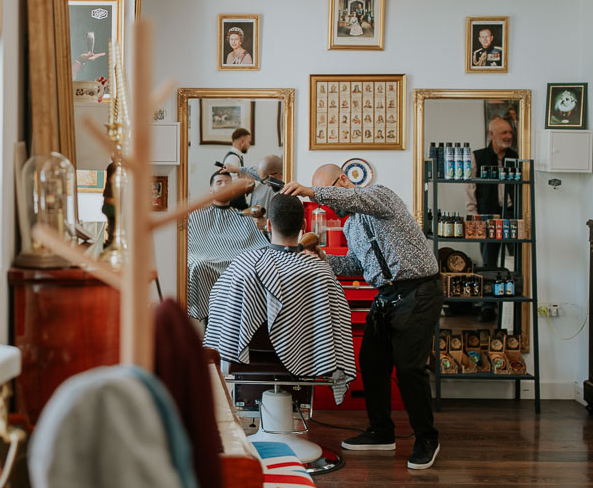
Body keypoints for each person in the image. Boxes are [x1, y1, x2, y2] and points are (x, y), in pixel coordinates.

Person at [280, 164, 441, 470]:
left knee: (409, 368)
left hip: (418, 291)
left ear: (343, 180)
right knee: (371, 363)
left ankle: (427, 439)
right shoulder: (352, 226)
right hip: (387, 296)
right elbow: (358, 265)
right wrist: (323, 259)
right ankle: (381, 432)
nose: (326, 205)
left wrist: (310, 191)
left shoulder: (380, 197)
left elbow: (352, 200)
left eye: (327, 195)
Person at [204, 193, 356, 403]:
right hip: (309, 357)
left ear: (268, 224)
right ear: (303, 225)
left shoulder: (244, 264)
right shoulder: (320, 271)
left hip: (249, 357)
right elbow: (337, 323)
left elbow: (219, 309)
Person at [186, 170, 268, 324]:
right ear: (210, 190)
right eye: (219, 183)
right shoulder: (197, 216)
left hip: (237, 263)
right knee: (199, 265)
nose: (224, 186)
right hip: (206, 263)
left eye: (228, 183)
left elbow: (261, 247)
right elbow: (190, 248)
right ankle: (210, 319)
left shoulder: (245, 217)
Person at [468, 117, 518, 279]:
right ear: (492, 134)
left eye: (510, 132)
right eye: (504, 132)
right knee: (489, 259)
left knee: (517, 257)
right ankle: (488, 304)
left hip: (512, 214)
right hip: (487, 214)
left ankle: (513, 298)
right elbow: (470, 188)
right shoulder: (478, 156)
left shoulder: (516, 157)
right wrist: (473, 214)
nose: (508, 136)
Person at [221, 127, 254, 209]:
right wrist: (249, 182)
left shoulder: (236, 157)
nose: (249, 145)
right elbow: (232, 181)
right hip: (235, 201)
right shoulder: (233, 158)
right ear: (242, 142)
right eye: (249, 142)